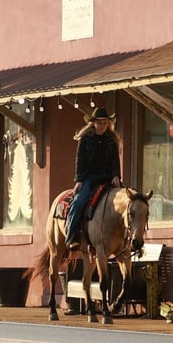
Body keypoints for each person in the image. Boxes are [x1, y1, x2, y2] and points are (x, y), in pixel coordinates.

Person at [65, 107, 122, 250]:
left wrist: (116, 175)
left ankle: (128, 240)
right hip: (90, 178)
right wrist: (79, 180)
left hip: (108, 178)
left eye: (105, 123)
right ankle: (72, 235)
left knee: (128, 201)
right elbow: (80, 160)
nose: (103, 125)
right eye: (100, 123)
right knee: (78, 202)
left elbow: (115, 160)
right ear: (93, 123)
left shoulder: (111, 140)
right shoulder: (85, 140)